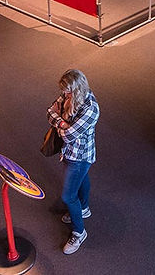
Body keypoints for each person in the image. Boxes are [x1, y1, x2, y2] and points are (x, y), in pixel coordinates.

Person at [47, 69, 99, 255]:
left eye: (67, 91)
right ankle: (83, 208)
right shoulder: (67, 95)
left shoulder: (90, 109)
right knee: (82, 179)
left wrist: (60, 125)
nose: (63, 94)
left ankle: (79, 232)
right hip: (69, 152)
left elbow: (69, 136)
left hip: (80, 156)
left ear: (77, 89)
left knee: (68, 197)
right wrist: (63, 124)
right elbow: (50, 112)